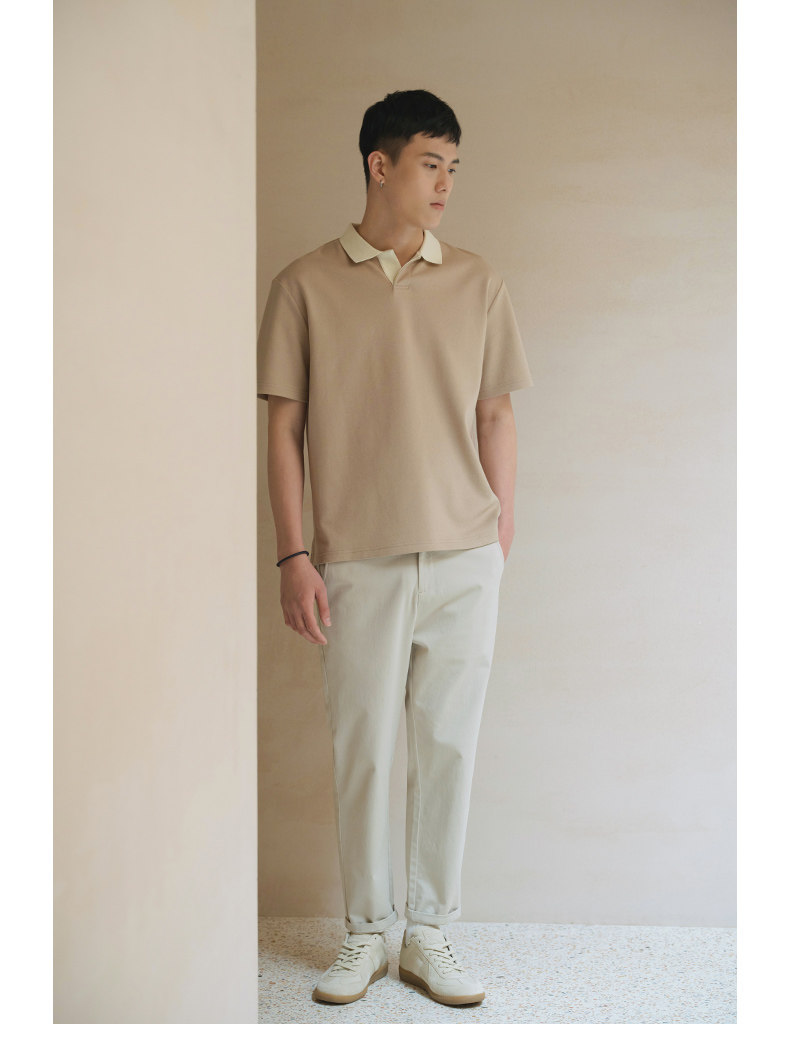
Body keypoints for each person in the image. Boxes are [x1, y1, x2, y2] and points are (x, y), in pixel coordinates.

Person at [257, 89, 533, 1007]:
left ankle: (430, 933)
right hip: (356, 554)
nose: (446, 183)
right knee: (365, 749)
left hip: (464, 554)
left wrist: (499, 527)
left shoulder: (478, 281)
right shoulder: (304, 284)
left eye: (454, 167)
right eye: (430, 164)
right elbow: (284, 428)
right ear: (380, 166)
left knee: (449, 746)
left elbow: (497, 413)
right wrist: (293, 555)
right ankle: (367, 933)